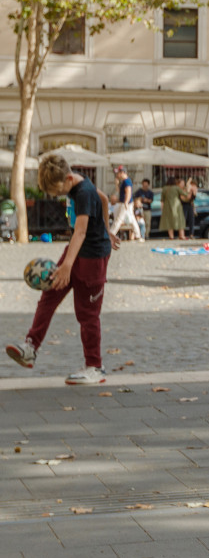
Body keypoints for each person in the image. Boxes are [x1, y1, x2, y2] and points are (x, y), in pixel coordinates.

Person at [6, 152, 113, 385]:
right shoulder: (78, 182)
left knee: (87, 313)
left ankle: (95, 367)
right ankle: (30, 347)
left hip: (93, 258)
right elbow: (103, 198)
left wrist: (67, 266)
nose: (55, 195)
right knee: (50, 294)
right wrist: (108, 228)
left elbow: (81, 231)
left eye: (56, 190)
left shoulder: (83, 192)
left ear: (67, 179)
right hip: (75, 252)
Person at [159, 174, 186, 239]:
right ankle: (181, 235)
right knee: (180, 220)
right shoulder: (176, 188)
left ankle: (171, 236)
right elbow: (185, 194)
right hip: (177, 206)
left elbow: (162, 199)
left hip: (167, 206)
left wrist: (162, 208)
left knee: (169, 221)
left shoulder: (164, 188)